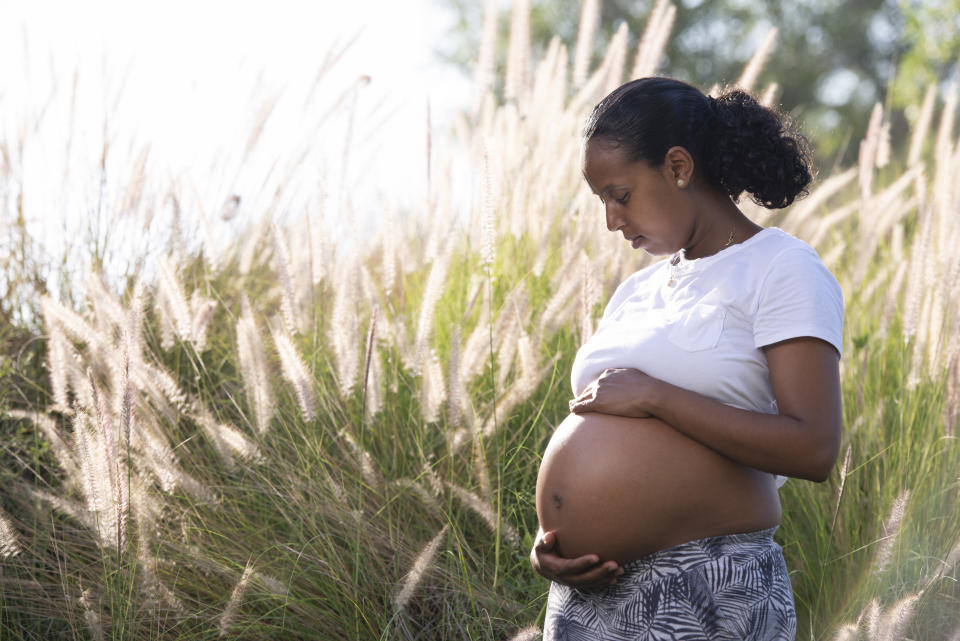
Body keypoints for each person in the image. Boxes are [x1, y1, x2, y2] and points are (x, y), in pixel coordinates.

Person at [529, 77, 844, 640]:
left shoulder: (781, 267)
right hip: (588, 597)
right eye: (602, 201)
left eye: (620, 195)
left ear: (677, 167)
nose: (611, 220)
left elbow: (813, 447)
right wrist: (553, 545)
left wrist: (656, 396)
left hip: (707, 583)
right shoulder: (635, 292)